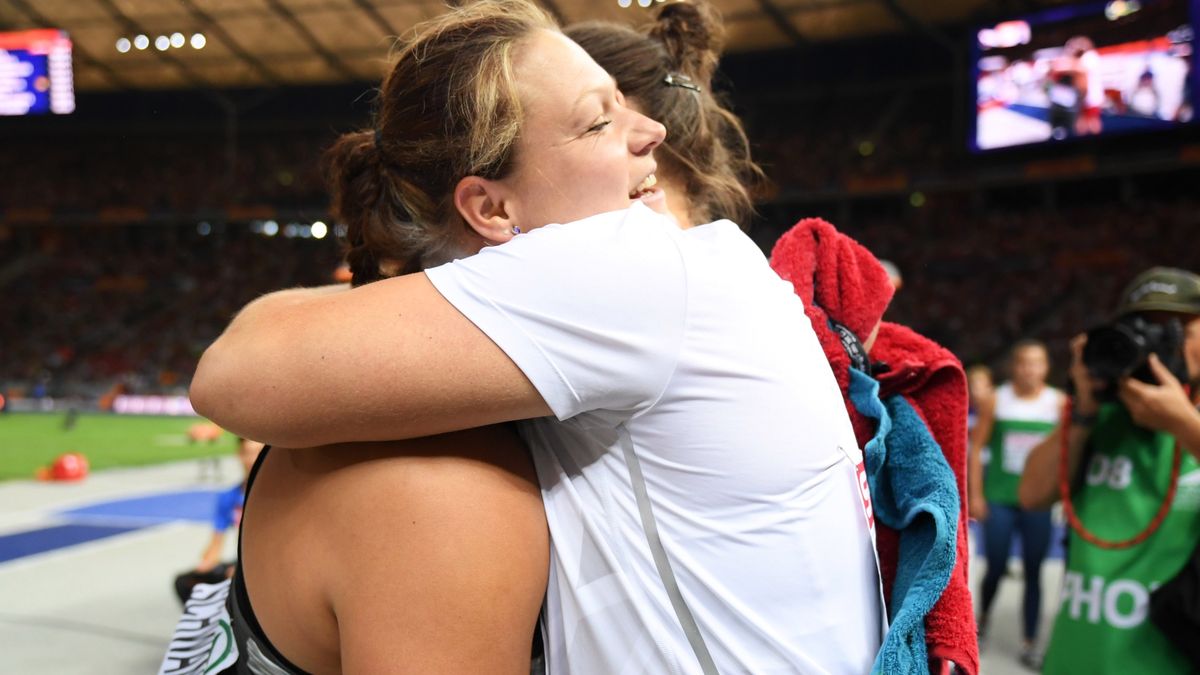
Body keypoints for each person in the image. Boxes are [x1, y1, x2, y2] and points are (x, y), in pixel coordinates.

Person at [189, 1, 884, 673]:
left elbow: (239, 367)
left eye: (622, 104)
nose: (650, 132)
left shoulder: (641, 276)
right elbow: (233, 375)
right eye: (597, 122)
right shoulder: (675, 275)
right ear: (491, 207)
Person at [1019, 267, 1200, 675]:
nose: (1155, 348)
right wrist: (1083, 406)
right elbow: (1031, 494)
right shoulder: (1101, 419)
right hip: (1073, 660)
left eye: (1176, 330)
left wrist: (1183, 424)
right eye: (1142, 330)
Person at [968, 339, 1063, 667]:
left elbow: (1065, 453)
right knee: (994, 566)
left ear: (1046, 367)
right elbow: (976, 448)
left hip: (1037, 502)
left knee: (1034, 570)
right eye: (1023, 363)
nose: (1029, 369)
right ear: (1013, 366)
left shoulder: (1058, 403)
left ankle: (1030, 640)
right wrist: (976, 494)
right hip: (1000, 499)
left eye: (1036, 363)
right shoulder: (997, 400)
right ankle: (981, 619)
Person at [172, 437, 264, 605]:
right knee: (184, 583)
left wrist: (244, 571)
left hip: (264, 564)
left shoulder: (274, 497)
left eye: (258, 453)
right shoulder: (229, 496)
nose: (252, 459)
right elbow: (216, 540)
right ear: (239, 455)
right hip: (239, 564)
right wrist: (206, 564)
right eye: (248, 453)